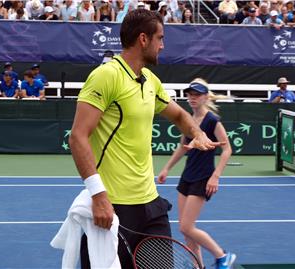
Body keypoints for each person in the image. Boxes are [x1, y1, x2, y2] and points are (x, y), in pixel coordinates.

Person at [68, 9, 223, 269]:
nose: (162, 45)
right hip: (114, 206)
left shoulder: (151, 80)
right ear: (143, 39)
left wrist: (198, 133)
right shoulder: (106, 76)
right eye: (160, 38)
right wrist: (98, 196)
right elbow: (77, 137)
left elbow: (180, 116)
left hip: (151, 205)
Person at [157, 78, 235, 269]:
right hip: (187, 177)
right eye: (190, 95)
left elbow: (227, 149)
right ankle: (197, 266)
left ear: (205, 97)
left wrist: (215, 176)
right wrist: (167, 168)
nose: (192, 98)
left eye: (197, 95)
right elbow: (183, 147)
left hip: (203, 178)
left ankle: (222, 256)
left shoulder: (212, 121)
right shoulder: (189, 120)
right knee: (186, 232)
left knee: (186, 226)